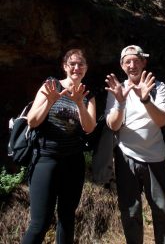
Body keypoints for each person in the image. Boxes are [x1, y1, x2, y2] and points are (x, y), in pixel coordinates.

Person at [104, 45, 165, 244]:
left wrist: (145, 99)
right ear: (122, 65)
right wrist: (120, 102)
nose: (132, 65)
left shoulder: (157, 86)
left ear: (144, 62)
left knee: (162, 209)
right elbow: (113, 125)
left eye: (136, 60)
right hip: (125, 156)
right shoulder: (116, 89)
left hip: (155, 157)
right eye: (127, 61)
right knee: (130, 210)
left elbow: (162, 120)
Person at [21, 48, 96, 244]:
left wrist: (80, 103)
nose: (77, 68)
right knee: (40, 223)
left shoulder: (88, 94)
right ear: (65, 66)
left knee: (67, 218)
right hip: (46, 159)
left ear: (86, 68)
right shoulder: (51, 85)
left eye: (81, 64)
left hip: (73, 162)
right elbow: (32, 121)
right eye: (72, 64)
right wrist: (49, 102)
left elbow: (89, 128)